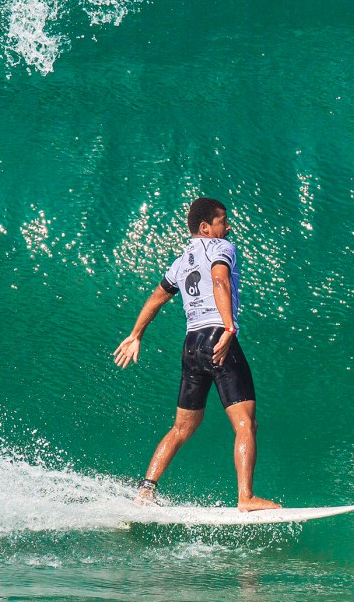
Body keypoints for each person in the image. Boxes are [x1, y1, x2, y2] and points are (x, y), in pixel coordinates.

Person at [113, 196, 279, 511]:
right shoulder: (221, 248)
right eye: (222, 221)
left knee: (182, 428)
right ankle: (246, 497)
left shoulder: (181, 262)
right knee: (246, 424)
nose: (228, 227)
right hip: (218, 338)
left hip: (192, 345)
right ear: (205, 227)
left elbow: (156, 297)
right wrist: (229, 329)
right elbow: (219, 280)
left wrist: (136, 334)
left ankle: (146, 490)